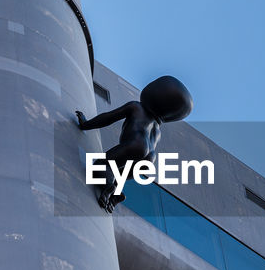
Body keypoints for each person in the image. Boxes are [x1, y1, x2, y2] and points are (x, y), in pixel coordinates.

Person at [76, 75, 193, 212]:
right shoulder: (157, 131)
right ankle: (114, 196)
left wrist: (86, 124)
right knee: (118, 174)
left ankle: (109, 187)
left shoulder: (136, 107)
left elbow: (108, 117)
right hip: (150, 158)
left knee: (100, 167)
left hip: (137, 143)